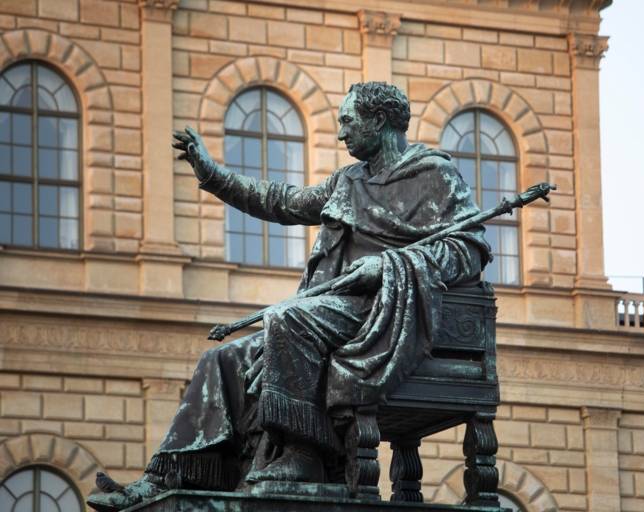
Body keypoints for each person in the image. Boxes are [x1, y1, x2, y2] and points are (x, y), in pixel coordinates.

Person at [87, 82, 490, 511]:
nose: (341, 134)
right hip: (334, 310)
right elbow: (282, 202)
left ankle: (303, 454)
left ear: (379, 120)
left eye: (348, 122)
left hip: (387, 310)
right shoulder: (348, 181)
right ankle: (166, 477)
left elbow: (469, 249)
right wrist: (212, 174)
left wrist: (388, 268)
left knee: (288, 318)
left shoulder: (434, 174)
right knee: (223, 358)